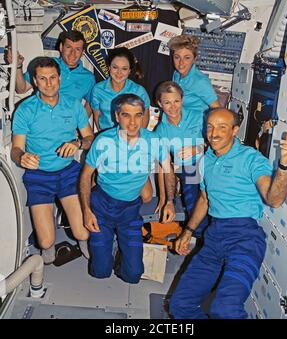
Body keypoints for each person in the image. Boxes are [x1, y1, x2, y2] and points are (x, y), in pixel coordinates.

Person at [169, 108, 287, 319]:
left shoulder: (250, 158)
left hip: (244, 239)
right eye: (210, 127)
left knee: (225, 309)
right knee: (179, 305)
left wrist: (284, 165)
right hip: (214, 238)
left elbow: (273, 198)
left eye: (222, 127)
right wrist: (188, 231)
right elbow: (204, 198)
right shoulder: (207, 160)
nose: (214, 133)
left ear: (235, 130)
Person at [79, 94, 176, 284]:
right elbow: (85, 176)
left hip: (130, 211)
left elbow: (168, 171)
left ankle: (118, 256)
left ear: (143, 116)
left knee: (133, 275)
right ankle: (108, 251)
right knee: (100, 272)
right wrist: (86, 211)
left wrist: (170, 201)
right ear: (117, 116)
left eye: (138, 115)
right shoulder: (103, 141)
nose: (132, 122)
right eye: (126, 115)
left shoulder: (153, 141)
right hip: (102, 207)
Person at [11, 57, 94, 264]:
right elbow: (16, 149)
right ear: (35, 81)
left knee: (82, 234)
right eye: (43, 78)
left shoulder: (74, 105)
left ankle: (87, 246)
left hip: (68, 172)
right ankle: (44, 257)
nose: (49, 83)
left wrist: (77, 143)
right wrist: (22, 157)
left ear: (60, 79)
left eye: (53, 78)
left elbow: (90, 138)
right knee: (46, 242)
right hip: (38, 176)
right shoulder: (25, 109)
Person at [154, 81, 207, 235]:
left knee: (214, 199)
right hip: (186, 169)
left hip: (207, 162)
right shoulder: (161, 130)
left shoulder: (198, 116)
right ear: (160, 104)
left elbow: (216, 141)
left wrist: (197, 147)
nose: (173, 107)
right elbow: (163, 166)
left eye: (176, 101)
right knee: (193, 203)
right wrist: (165, 199)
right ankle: (199, 235)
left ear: (182, 100)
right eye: (167, 102)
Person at [7, 30, 96, 116]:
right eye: (68, 47)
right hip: (39, 117)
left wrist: (80, 125)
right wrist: (18, 66)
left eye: (77, 49)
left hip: (66, 124)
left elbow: (90, 104)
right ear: (61, 47)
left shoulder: (88, 77)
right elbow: (21, 89)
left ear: (83, 52)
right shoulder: (46, 64)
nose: (72, 53)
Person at [91, 47, 150, 132]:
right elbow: (97, 118)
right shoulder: (98, 89)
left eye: (124, 69)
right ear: (109, 67)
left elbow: (144, 123)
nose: (119, 72)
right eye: (115, 67)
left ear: (129, 70)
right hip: (107, 138)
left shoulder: (139, 91)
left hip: (132, 139)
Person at [168, 35, 220, 114]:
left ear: (194, 59)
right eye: (177, 57)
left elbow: (217, 109)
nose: (181, 63)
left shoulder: (200, 81)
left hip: (197, 125)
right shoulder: (176, 74)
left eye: (187, 58)